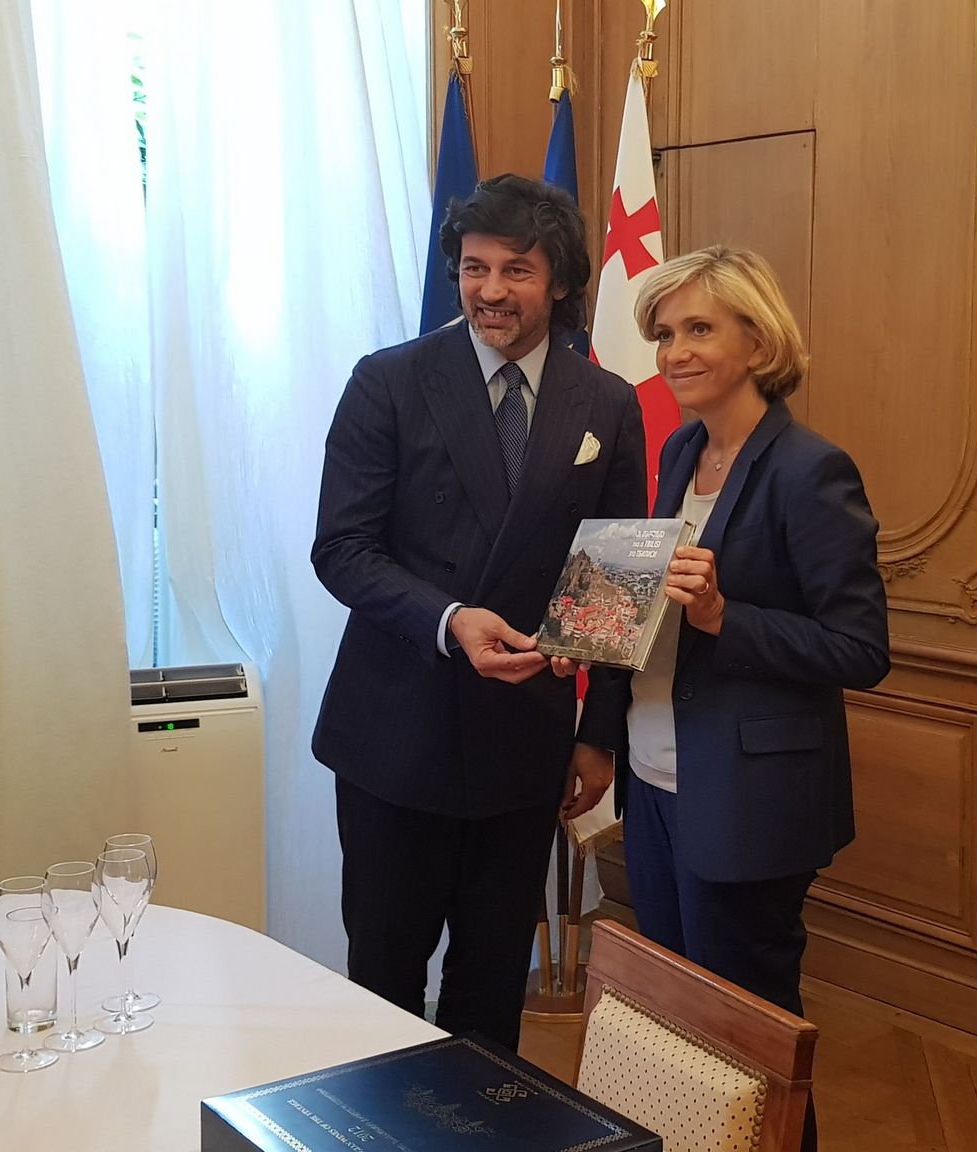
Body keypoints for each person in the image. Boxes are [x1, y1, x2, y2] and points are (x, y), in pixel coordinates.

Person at [311, 174, 647, 1051]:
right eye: (474, 268)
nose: (490, 291)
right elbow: (341, 548)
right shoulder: (388, 381)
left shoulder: (607, 403)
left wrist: (597, 737)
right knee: (382, 984)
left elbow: (616, 579)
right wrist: (451, 617)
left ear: (560, 281)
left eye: (516, 271)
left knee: (492, 991)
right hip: (395, 738)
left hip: (524, 744)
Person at [566, 246, 889, 1151]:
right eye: (665, 334)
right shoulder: (680, 451)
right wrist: (586, 635)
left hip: (750, 800)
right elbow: (650, 608)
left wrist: (722, 617)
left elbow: (862, 648)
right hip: (656, 781)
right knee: (680, 1020)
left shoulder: (810, 469)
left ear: (758, 339)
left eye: (699, 329)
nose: (674, 352)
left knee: (749, 1036)